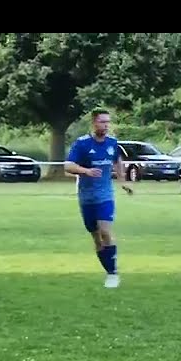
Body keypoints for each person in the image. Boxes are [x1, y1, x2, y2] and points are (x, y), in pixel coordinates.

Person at [63, 109, 133, 289]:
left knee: (105, 232)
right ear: (94, 123)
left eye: (108, 122)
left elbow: (117, 160)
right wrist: (86, 171)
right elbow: (68, 166)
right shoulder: (82, 144)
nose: (106, 125)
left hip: (105, 195)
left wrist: (122, 180)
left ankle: (113, 273)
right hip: (86, 197)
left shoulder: (112, 143)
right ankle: (108, 269)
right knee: (96, 238)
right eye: (102, 122)